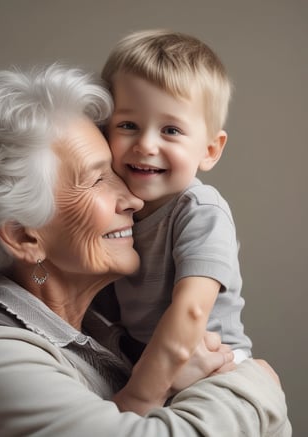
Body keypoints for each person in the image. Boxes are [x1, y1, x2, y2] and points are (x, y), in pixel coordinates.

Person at [0, 63, 291, 436]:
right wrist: (253, 387)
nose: (133, 200)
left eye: (118, 174)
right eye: (99, 179)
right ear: (23, 236)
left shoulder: (109, 333)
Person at [96, 29, 252, 389]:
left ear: (210, 150)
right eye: (128, 125)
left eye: (170, 130)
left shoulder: (200, 211)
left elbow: (192, 310)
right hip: (146, 362)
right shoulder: (118, 208)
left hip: (213, 361)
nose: (146, 144)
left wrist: (141, 394)